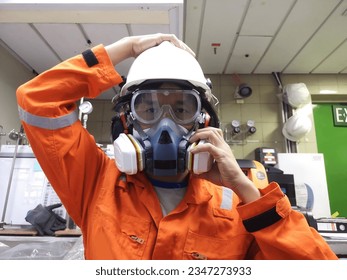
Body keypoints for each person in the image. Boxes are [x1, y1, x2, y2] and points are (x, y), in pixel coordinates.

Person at [16, 33, 337, 260]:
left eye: (182, 109)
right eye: (149, 109)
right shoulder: (96, 182)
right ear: (127, 121)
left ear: (205, 122)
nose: (165, 125)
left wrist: (247, 193)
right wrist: (127, 48)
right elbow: (38, 99)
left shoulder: (242, 205)